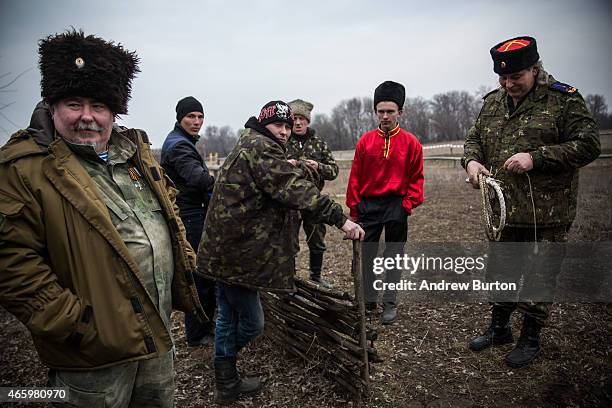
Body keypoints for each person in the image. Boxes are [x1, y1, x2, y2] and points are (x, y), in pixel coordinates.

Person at [0, 30, 206, 407]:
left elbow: (168, 209)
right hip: (92, 356)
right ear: (53, 105)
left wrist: (182, 261)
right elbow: (11, 262)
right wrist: (76, 325)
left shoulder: (134, 154)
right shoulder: (24, 167)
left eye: (98, 106)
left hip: (156, 337)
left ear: (113, 111)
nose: (87, 117)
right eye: (74, 104)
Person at [197, 100, 364, 403]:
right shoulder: (262, 148)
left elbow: (284, 176)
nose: (285, 132)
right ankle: (224, 365)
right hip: (238, 256)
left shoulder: (250, 143)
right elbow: (296, 191)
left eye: (289, 126)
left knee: (226, 317)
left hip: (225, 251)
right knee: (252, 322)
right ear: (264, 124)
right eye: (279, 125)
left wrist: (298, 166)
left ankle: (227, 382)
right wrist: (341, 219)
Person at [463, 36, 600, 367]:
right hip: (505, 212)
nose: (509, 84)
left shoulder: (564, 100)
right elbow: (474, 139)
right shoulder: (494, 102)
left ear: (535, 69)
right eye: (503, 78)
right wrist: (472, 162)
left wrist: (536, 158)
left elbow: (588, 144)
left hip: (546, 213)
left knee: (539, 277)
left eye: (516, 77)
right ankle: (499, 329)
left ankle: (530, 338)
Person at [346, 81, 424, 324]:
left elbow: (416, 177)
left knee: (394, 256)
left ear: (400, 111)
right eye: (381, 111)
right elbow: (355, 177)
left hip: (396, 205)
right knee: (367, 255)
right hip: (369, 206)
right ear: (375, 112)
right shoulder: (365, 142)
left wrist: (407, 204)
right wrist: (354, 209)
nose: (385, 116)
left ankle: (390, 302)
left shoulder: (411, 143)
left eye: (390, 111)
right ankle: (369, 299)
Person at [161, 96, 216, 347]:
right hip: (190, 214)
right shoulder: (179, 146)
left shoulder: (181, 141)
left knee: (202, 272)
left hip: (192, 211)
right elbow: (197, 179)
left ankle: (205, 326)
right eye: (191, 117)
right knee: (198, 273)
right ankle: (197, 334)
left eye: (200, 117)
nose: (196, 122)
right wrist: (221, 183)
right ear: (179, 117)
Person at [286, 99, 339, 288]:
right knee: (288, 243)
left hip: (314, 201)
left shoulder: (319, 144)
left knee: (317, 240)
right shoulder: (282, 142)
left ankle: (316, 276)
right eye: (294, 119)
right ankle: (289, 279)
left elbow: (334, 171)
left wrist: (319, 166)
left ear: (308, 121)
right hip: (289, 203)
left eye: (302, 119)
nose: (298, 123)